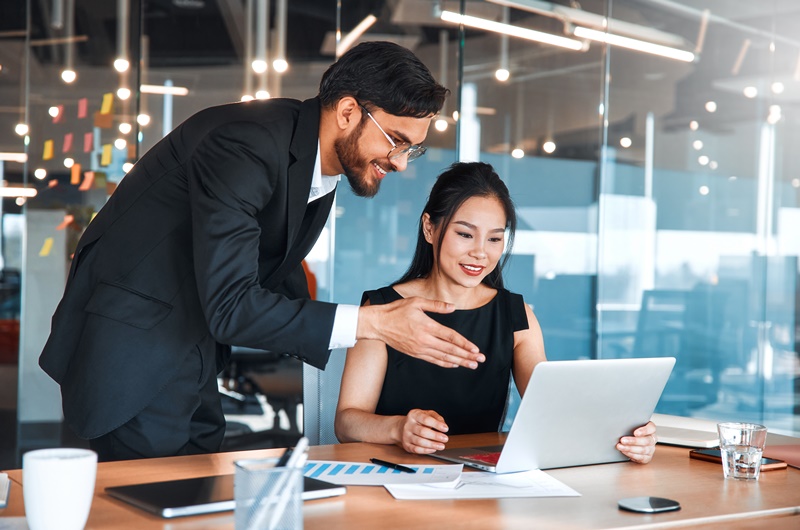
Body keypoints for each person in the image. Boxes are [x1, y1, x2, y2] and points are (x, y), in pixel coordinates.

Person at [39, 41, 486, 462]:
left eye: (414, 148)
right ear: (349, 111)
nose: (402, 162)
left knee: (197, 487)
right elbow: (233, 303)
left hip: (191, 347)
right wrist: (373, 323)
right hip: (135, 353)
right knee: (149, 506)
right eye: (396, 140)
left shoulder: (315, 167)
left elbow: (273, 274)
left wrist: (382, 326)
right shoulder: (245, 143)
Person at [335, 162, 657, 464]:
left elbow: (553, 410)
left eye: (494, 239)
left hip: (482, 479)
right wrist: (397, 429)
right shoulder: (381, 310)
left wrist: (626, 433)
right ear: (430, 229)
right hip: (395, 471)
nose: (480, 252)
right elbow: (348, 420)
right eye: (465, 234)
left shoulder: (517, 316)